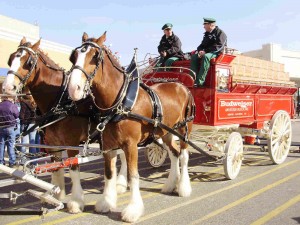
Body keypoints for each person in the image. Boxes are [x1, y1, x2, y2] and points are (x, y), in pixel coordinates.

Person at [190, 17, 227, 87]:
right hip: (206, 52)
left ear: (211, 25)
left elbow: (219, 46)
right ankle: (192, 79)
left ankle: (200, 81)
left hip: (216, 52)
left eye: (205, 24)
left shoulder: (221, 33)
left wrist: (205, 51)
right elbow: (201, 45)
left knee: (206, 57)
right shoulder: (207, 34)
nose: (203, 26)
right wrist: (200, 50)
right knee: (194, 57)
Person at [0, 96, 19, 167]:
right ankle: (12, 161)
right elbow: (17, 115)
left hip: (1, 127)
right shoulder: (12, 105)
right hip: (10, 127)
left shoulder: (0, 105)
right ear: (8, 98)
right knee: (11, 144)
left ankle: (1, 161)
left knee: (1, 145)